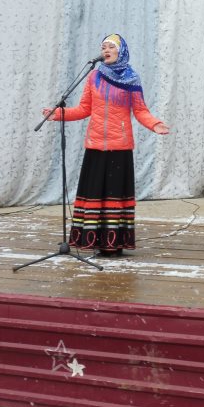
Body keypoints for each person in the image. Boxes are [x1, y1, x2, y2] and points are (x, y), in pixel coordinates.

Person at [42, 34, 170, 256]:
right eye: (103, 46)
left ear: (121, 51)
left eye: (111, 46)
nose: (106, 49)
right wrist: (60, 113)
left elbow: (140, 110)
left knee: (114, 197)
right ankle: (92, 240)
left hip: (119, 147)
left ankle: (113, 242)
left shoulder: (132, 79)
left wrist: (155, 124)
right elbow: (84, 109)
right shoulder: (94, 76)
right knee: (94, 195)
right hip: (95, 146)